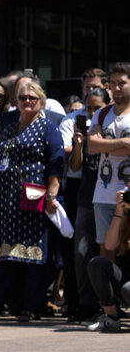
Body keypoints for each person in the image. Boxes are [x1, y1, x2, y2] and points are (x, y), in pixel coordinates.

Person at [0, 81, 64, 321]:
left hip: (32, 197)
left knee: (32, 253)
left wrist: (52, 196)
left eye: (32, 98)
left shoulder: (48, 129)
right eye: (23, 98)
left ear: (41, 102)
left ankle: (32, 306)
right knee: (3, 255)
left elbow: (56, 167)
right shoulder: (9, 127)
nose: (27, 102)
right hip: (4, 199)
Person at [67, 87, 110, 322]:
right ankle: (86, 303)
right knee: (81, 252)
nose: (92, 113)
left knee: (111, 251)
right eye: (89, 108)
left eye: (97, 108)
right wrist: (78, 144)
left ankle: (110, 304)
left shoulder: (112, 127)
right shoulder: (85, 131)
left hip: (112, 197)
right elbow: (75, 167)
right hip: (86, 198)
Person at [87, 62, 130, 264]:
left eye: (122, 83)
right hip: (103, 194)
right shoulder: (102, 114)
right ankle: (108, 297)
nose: (117, 88)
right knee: (106, 255)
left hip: (127, 193)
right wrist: (123, 142)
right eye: (113, 83)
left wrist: (104, 143)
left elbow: (99, 144)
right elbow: (92, 146)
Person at [85, 190, 130, 332]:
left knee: (128, 289)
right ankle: (112, 318)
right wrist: (119, 211)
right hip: (125, 281)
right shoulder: (126, 217)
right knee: (97, 264)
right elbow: (110, 245)